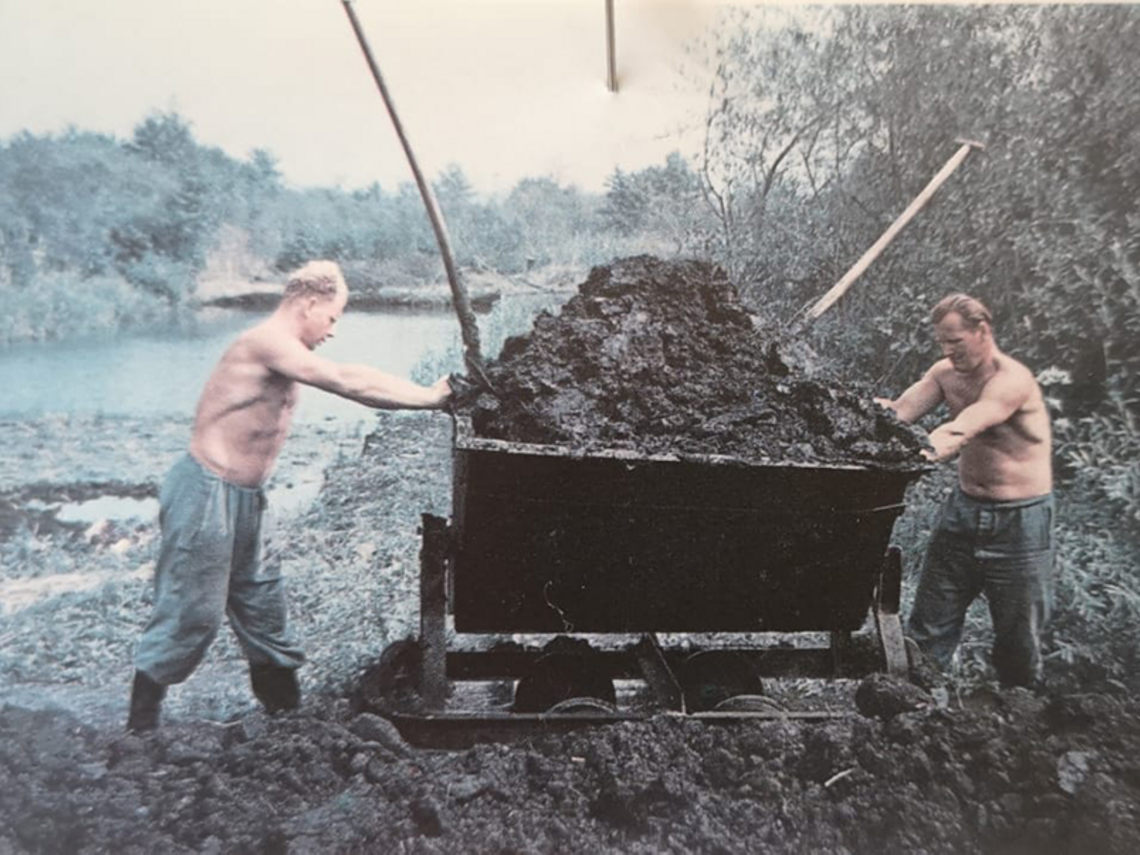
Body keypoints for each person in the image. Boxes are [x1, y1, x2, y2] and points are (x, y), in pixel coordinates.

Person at [127, 260, 452, 731]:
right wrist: (427, 396)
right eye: (333, 317)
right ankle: (139, 730)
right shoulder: (265, 343)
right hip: (205, 492)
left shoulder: (286, 349)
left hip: (247, 500)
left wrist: (429, 396)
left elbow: (344, 372)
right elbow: (346, 380)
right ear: (309, 302)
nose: (333, 329)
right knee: (191, 616)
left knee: (265, 613)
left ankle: (288, 727)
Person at [876, 293, 1054, 688]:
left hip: (1019, 522)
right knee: (927, 629)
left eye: (956, 341)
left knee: (1018, 641)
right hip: (963, 512)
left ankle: (1019, 719)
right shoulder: (945, 374)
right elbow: (897, 414)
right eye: (942, 342)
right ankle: (919, 712)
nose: (948, 351)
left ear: (982, 331)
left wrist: (922, 452)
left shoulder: (1011, 381)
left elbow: (965, 426)